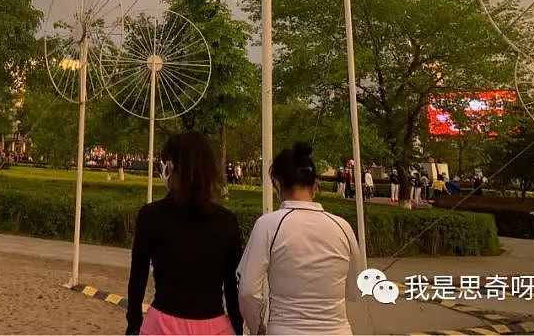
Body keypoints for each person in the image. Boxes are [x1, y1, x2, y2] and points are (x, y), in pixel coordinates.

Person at [238, 142, 363, 335]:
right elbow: (355, 289)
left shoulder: (268, 225)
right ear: (315, 184)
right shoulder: (342, 226)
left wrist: (256, 326)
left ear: (276, 182)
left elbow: (247, 291)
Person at [126, 131, 243, 336]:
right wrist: (237, 327)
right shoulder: (227, 221)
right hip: (214, 326)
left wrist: (134, 324)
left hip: (161, 326)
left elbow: (138, 277)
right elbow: (232, 285)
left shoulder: (150, 216)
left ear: (170, 166)